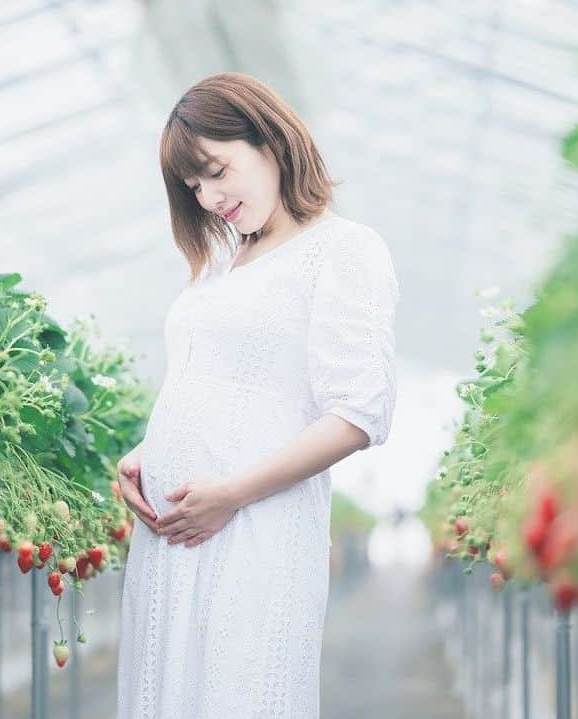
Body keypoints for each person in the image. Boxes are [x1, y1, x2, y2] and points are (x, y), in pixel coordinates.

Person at [115, 72, 400, 718]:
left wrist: (231, 494)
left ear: (269, 139)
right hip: (173, 536)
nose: (210, 197)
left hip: (251, 527)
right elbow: (219, 381)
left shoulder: (343, 250)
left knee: (237, 692)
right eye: (193, 186)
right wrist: (145, 452)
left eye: (217, 170)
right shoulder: (220, 266)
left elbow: (360, 411)